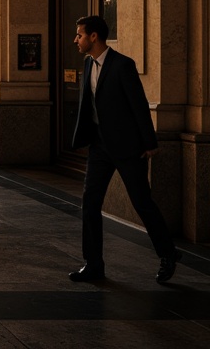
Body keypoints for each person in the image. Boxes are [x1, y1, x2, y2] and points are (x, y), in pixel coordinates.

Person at [68, 15, 181, 284]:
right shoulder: (88, 64)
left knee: (142, 203)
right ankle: (93, 264)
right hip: (99, 148)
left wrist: (149, 143)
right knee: (90, 205)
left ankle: (168, 254)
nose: (76, 40)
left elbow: (138, 105)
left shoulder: (122, 65)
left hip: (128, 148)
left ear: (94, 36)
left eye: (80, 35)